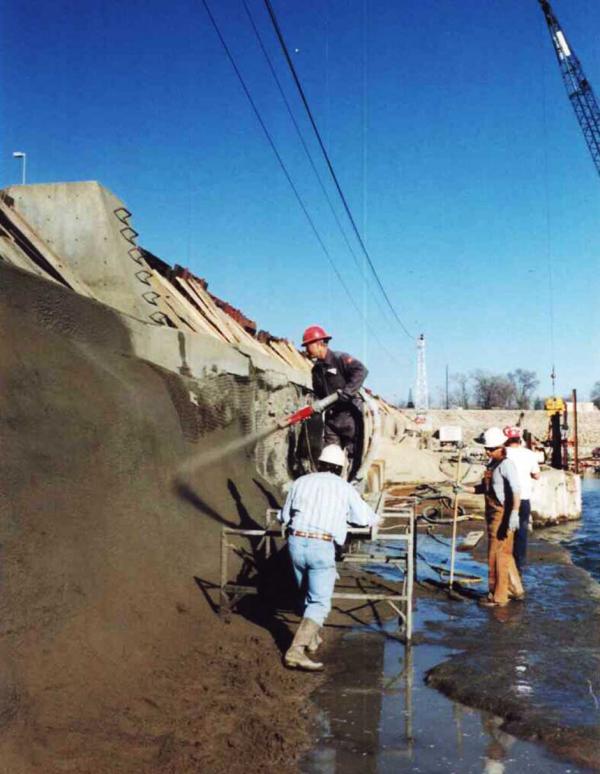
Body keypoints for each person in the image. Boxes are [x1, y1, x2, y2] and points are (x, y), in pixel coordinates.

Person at [278, 444, 379, 670]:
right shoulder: (344, 488)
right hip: (321, 546)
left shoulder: (301, 482)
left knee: (305, 591)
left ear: (319, 463)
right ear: (341, 468)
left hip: (295, 543)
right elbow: (365, 519)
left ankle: (312, 639)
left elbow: (283, 516)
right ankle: (296, 650)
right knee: (320, 602)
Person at [460, 427, 524, 608]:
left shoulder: (506, 465)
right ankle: (515, 589)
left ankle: (499, 596)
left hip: (503, 513)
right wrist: (463, 488)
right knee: (504, 552)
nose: (487, 451)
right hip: (492, 512)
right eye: (486, 448)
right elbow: (484, 488)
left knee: (496, 555)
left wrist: (514, 513)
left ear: (500, 447)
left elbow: (516, 489)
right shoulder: (491, 465)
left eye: (491, 449)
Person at [301, 325, 368, 464]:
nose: (306, 349)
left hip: (350, 416)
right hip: (332, 419)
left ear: (319, 344)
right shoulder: (316, 370)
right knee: (329, 457)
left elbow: (361, 370)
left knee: (353, 456)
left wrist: (347, 392)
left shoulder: (340, 359)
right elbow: (319, 394)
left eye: (308, 345)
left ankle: (352, 484)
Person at [504, 432, 541, 574]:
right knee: (522, 531)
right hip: (524, 497)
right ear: (520, 439)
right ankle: (518, 565)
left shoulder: (503, 453)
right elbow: (536, 475)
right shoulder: (529, 454)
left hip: (506, 498)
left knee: (504, 530)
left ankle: (505, 563)